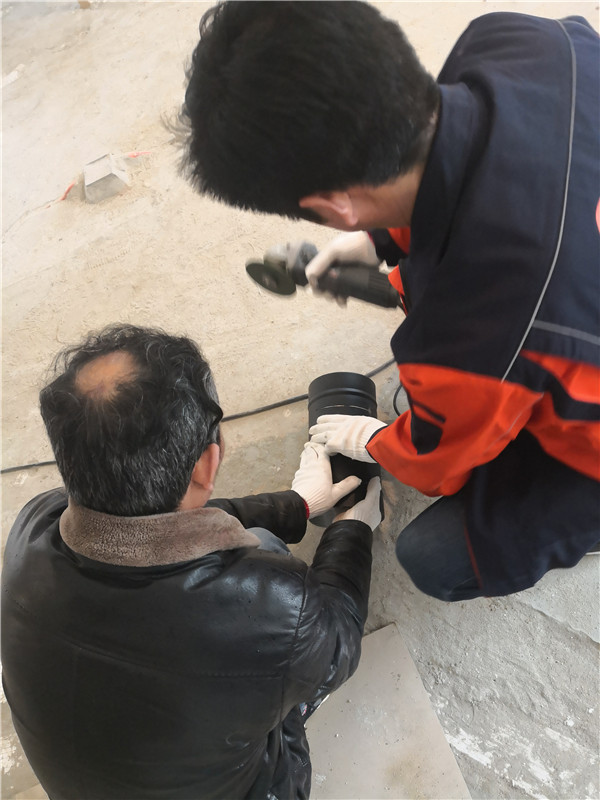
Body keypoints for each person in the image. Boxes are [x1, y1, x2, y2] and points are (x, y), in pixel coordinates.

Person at [180, 1, 599, 600]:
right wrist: (380, 236)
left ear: (333, 206)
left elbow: (436, 463)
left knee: (434, 556)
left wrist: (371, 440)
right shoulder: (520, 41)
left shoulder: (468, 337)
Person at [1, 323, 381, 800]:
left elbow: (150, 524)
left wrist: (298, 504)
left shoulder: (33, 525)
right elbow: (338, 647)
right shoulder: (275, 612)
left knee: (261, 542)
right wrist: (352, 528)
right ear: (206, 464)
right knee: (267, 556)